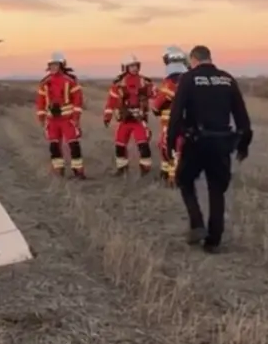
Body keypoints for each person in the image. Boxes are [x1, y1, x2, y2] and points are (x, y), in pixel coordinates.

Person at [165, 45, 254, 253]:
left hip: (197, 142)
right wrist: (244, 144)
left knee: (184, 180)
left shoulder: (188, 79)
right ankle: (213, 241)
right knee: (217, 190)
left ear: (194, 60)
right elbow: (242, 116)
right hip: (222, 142)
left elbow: (176, 113)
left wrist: (171, 142)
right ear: (210, 58)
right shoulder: (227, 79)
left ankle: (197, 224)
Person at [102, 54, 155, 176]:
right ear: (125, 67)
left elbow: (155, 95)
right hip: (124, 120)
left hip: (139, 120)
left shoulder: (145, 82)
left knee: (143, 144)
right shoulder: (119, 84)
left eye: (136, 65)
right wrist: (107, 117)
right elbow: (111, 101)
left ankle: (145, 170)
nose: (134, 68)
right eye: (131, 66)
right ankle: (122, 169)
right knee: (120, 144)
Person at [34, 52, 86, 178]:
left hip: (67, 120)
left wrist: (76, 118)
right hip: (52, 120)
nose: (53, 67)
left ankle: (78, 171)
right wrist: (41, 117)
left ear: (61, 65)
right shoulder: (44, 83)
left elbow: (78, 100)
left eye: (56, 64)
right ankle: (58, 169)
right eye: (51, 65)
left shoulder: (70, 81)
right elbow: (40, 101)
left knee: (73, 145)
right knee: (54, 146)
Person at [150, 46, 189, 186]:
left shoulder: (170, 82)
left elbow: (157, 105)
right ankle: (166, 172)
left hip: (172, 122)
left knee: (170, 147)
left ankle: (173, 178)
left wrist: (156, 105)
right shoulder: (188, 79)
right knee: (168, 146)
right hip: (186, 122)